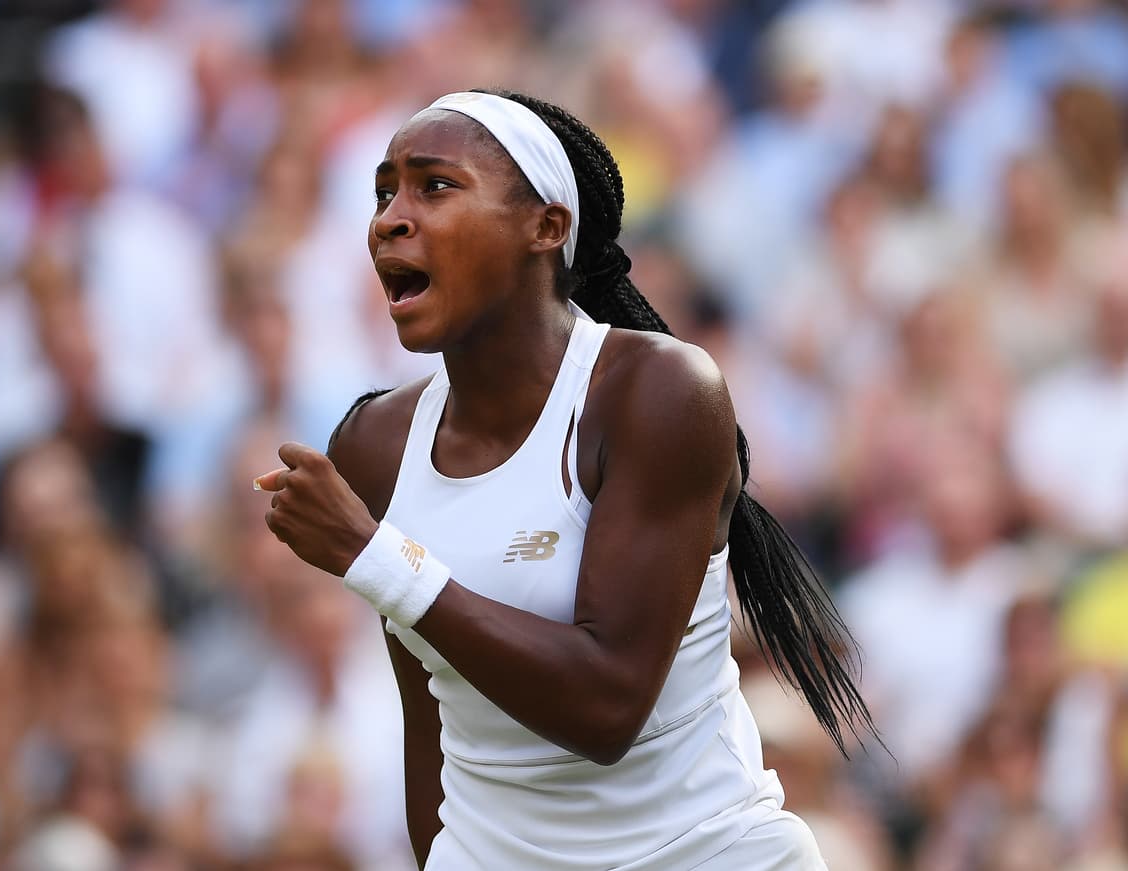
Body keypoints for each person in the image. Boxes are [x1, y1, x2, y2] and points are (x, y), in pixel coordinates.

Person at [254, 89, 875, 870]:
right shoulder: (375, 442)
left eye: (434, 186)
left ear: (546, 227)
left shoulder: (659, 391)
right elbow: (432, 719)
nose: (389, 220)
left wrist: (376, 556)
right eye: (384, 194)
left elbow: (606, 706)